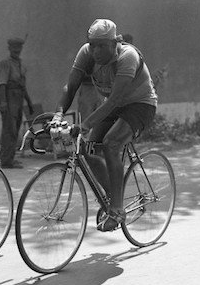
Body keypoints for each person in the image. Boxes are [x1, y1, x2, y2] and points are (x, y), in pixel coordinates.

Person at [52, 19, 157, 231]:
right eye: (92, 44)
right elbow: (71, 86)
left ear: (115, 42)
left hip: (140, 105)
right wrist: (58, 113)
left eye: (102, 46)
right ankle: (112, 193)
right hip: (112, 106)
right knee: (86, 148)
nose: (96, 51)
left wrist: (85, 124)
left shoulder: (128, 57)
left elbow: (115, 100)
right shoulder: (86, 53)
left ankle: (117, 210)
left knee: (111, 144)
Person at [0, 37, 34, 168]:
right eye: (14, 48)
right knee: (9, 130)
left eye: (18, 48)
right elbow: (2, 84)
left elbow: (23, 86)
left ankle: (10, 158)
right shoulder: (5, 63)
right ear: (9, 49)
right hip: (9, 97)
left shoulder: (21, 65)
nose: (16, 51)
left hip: (18, 99)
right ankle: (6, 161)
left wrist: (29, 103)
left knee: (15, 129)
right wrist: (3, 102)